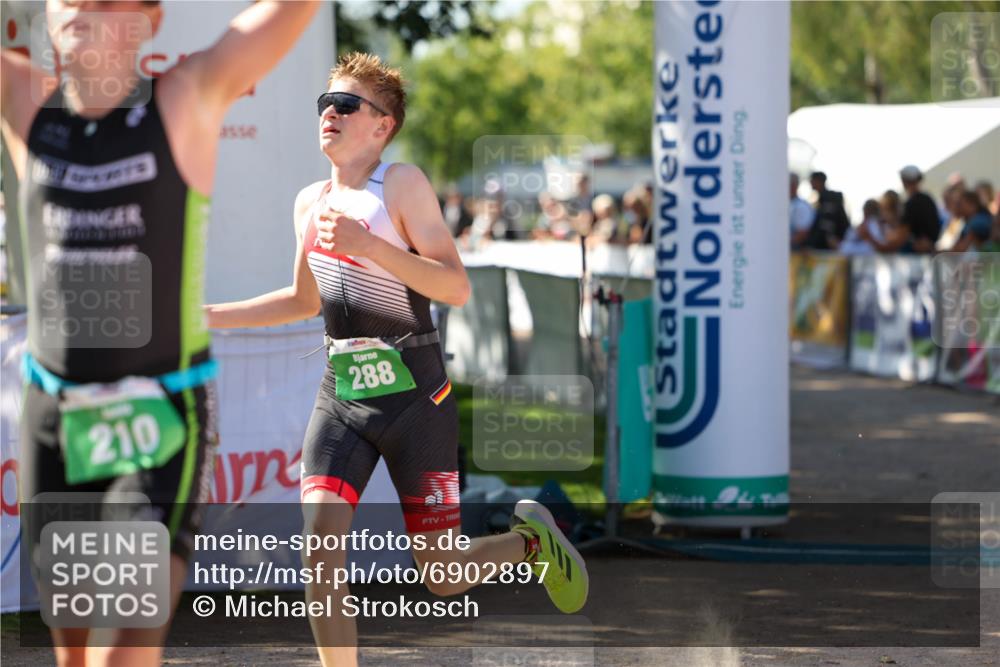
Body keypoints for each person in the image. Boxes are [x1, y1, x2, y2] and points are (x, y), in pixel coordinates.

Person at [204, 52, 589, 667]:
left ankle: (529, 542)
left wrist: (369, 247)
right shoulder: (309, 202)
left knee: (440, 575)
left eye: (347, 104)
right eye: (324, 103)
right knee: (319, 550)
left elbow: (455, 288)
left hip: (417, 401)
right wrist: (208, 316)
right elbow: (304, 300)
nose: (330, 113)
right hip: (342, 399)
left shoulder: (400, 184)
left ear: (382, 125)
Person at [1, 1, 319, 665]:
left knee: (123, 649)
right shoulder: (25, 101)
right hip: (51, 416)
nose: (86, 5)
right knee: (75, 655)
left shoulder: (186, 96)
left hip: (157, 419)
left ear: (149, 18)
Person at [898, 164, 941, 253]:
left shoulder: (910, 204)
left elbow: (902, 235)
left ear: (904, 181)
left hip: (918, 254)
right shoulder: (928, 198)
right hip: (931, 251)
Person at [804, 171, 849, 250]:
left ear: (819, 181)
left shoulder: (828, 200)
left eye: (812, 180)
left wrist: (812, 244)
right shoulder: (823, 199)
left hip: (829, 248)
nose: (810, 183)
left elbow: (826, 226)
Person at [788, 172, 813, 250]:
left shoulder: (801, 207)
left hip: (794, 251)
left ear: (794, 186)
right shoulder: (788, 204)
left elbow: (802, 234)